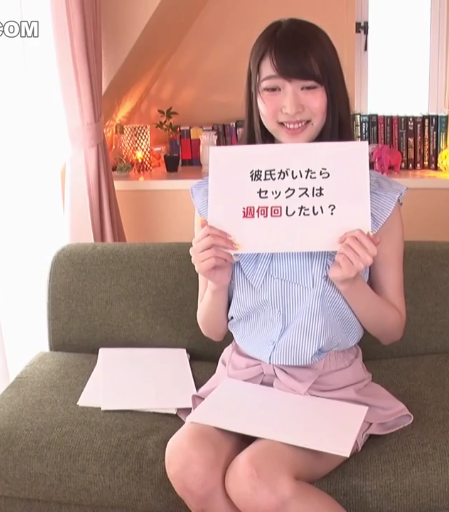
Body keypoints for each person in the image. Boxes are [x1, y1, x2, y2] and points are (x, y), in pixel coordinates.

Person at [165, 18, 413, 512]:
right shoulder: (223, 195)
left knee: (253, 477)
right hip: (244, 376)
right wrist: (216, 283)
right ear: (255, 97)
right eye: (273, 88)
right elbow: (211, 329)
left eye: (308, 86)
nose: (291, 106)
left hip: (328, 386)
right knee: (186, 459)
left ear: (331, 92)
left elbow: (392, 329)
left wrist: (351, 284)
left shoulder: (374, 199)